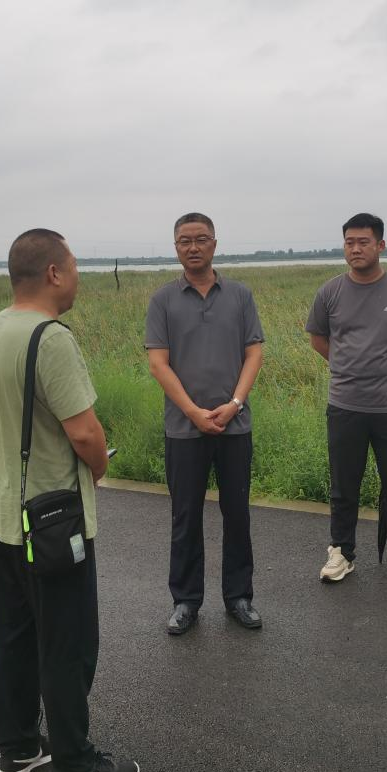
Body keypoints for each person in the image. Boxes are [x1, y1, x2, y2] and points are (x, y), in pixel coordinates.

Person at [0, 228, 139, 772]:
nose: (77, 279)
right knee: (68, 642)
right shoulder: (51, 338)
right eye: (73, 268)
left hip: (1, 512)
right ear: (53, 273)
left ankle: (18, 747)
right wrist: (99, 466)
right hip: (51, 522)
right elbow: (85, 433)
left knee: (15, 635)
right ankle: (75, 770)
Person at [145, 212, 266, 635]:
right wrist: (193, 412)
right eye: (184, 240)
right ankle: (185, 600)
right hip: (184, 429)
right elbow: (158, 364)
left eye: (201, 239)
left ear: (215, 243)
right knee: (185, 517)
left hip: (235, 425)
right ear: (175, 247)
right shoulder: (163, 300)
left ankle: (239, 597)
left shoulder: (240, 295)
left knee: (237, 514)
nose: (193, 247)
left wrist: (235, 403)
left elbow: (254, 352)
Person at [306, 212, 387, 585]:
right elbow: (318, 338)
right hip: (345, 406)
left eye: (364, 242)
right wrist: (346, 366)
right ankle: (341, 552)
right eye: (350, 242)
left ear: (381, 245)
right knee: (344, 485)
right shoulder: (330, 292)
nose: (356, 249)